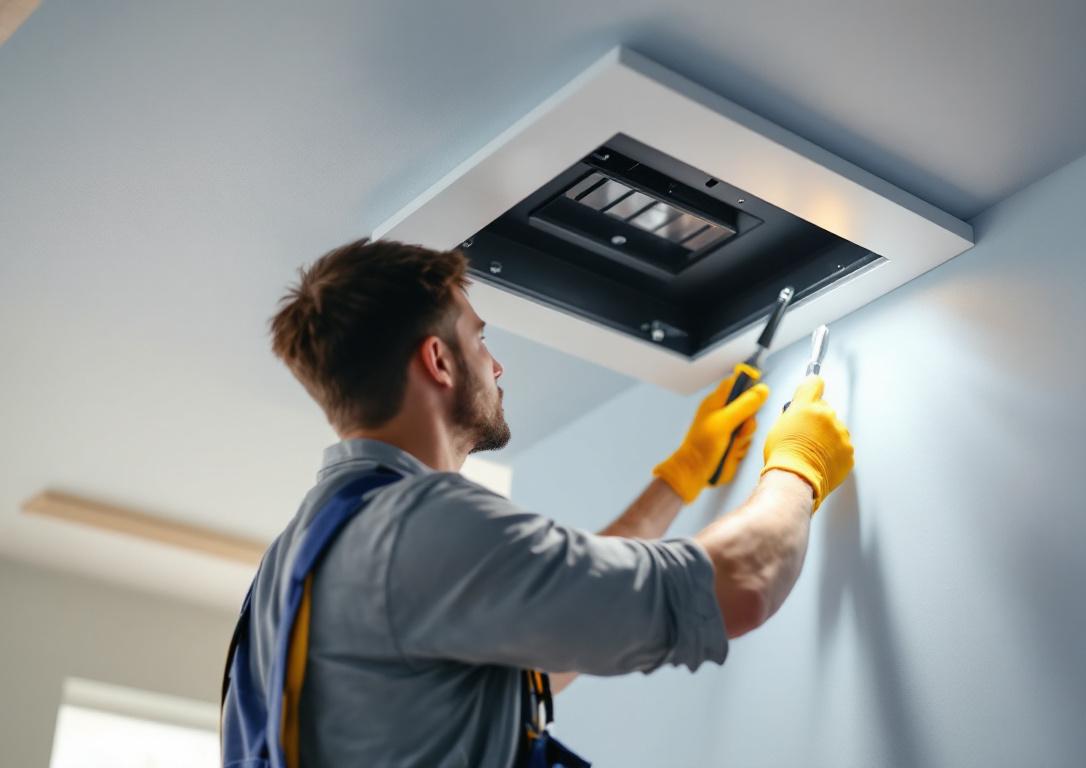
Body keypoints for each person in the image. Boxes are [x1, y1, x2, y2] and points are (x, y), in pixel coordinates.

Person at [222, 238, 854, 767]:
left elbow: (555, 635)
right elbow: (739, 585)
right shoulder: (420, 525)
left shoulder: (297, 567)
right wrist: (797, 466)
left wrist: (681, 477)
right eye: (479, 340)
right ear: (438, 360)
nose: (495, 367)